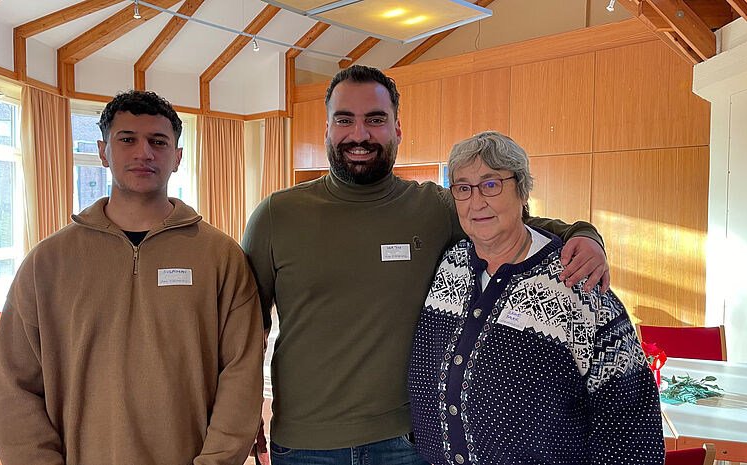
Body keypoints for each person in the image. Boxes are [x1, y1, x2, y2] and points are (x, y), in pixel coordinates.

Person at [242, 65, 610, 464]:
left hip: (411, 440)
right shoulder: (276, 215)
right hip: (306, 445)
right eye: (344, 119)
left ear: (397, 129)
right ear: (327, 128)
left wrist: (583, 233)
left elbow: (507, 221)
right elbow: (244, 329)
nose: (360, 135)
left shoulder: (433, 208)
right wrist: (243, 415)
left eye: (375, 120)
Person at [0, 90, 264, 465]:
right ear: (103, 151)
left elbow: (242, 372)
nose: (143, 153)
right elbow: (15, 387)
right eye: (127, 140)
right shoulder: (47, 263)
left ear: (178, 157)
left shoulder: (221, 257)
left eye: (158, 141)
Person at [409, 131, 664, 465]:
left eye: (491, 184)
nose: (476, 202)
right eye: (463, 188)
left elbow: (630, 422)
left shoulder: (575, 281)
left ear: (523, 190)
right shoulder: (450, 263)